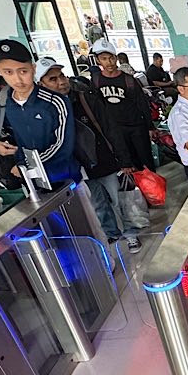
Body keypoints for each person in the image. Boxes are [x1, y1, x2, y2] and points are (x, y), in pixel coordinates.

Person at [36, 57, 146, 252]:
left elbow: (111, 128)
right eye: (53, 79)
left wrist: (124, 159)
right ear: (41, 84)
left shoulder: (85, 99)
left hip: (105, 160)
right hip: (79, 168)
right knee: (98, 204)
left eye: (62, 76)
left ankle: (130, 234)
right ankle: (112, 233)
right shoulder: (46, 110)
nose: (61, 82)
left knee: (119, 199)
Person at [0, 40, 80, 184]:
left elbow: (62, 144)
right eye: (8, 72)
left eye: (23, 71)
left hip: (62, 174)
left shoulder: (55, 102)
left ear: (33, 68)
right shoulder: (0, 99)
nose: (17, 79)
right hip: (27, 178)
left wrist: (28, 164)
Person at [90, 38, 155, 172]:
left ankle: (152, 184)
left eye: (111, 58)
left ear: (116, 58)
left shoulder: (128, 80)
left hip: (136, 127)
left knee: (146, 162)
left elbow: (142, 104)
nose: (109, 62)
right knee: (129, 165)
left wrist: (150, 127)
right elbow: (98, 106)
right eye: (104, 59)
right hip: (116, 130)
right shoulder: (96, 80)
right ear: (98, 60)